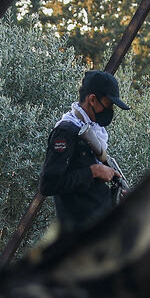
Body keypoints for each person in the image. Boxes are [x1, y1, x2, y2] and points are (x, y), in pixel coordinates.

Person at [40, 70, 130, 234]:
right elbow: (49, 184)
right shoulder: (66, 131)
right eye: (108, 104)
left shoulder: (94, 131)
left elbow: (88, 191)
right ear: (92, 99)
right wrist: (94, 171)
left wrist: (114, 196)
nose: (110, 110)